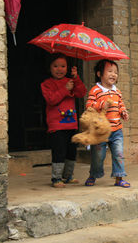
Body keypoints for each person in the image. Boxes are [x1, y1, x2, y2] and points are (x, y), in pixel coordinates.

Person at [41, 54, 87, 188]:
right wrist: (65, 89)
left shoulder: (71, 81)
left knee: (71, 151)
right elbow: (51, 100)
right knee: (59, 151)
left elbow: (81, 93)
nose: (59, 69)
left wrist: (76, 78)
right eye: (55, 66)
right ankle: (56, 178)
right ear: (50, 68)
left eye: (63, 66)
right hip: (56, 126)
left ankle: (68, 176)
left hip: (71, 124)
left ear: (67, 68)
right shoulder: (46, 84)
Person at [84, 59, 130, 188]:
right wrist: (100, 105)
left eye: (116, 72)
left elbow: (120, 105)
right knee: (98, 155)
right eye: (109, 71)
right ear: (99, 74)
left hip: (116, 130)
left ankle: (119, 177)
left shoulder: (117, 91)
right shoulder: (95, 90)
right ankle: (94, 174)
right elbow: (89, 106)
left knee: (119, 153)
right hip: (101, 131)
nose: (113, 74)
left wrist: (123, 112)